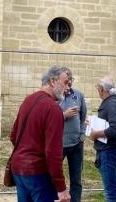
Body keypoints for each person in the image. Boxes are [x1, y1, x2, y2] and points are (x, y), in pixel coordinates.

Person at [10, 65, 72, 202]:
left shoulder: (28, 100)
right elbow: (53, 153)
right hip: (38, 173)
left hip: (19, 169)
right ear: (52, 81)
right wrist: (61, 188)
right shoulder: (53, 109)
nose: (68, 88)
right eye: (66, 83)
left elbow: (13, 135)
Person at [88, 76, 116, 202]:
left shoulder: (111, 104)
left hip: (108, 152)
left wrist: (96, 134)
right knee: (112, 190)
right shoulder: (113, 102)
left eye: (98, 87)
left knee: (111, 193)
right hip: (109, 151)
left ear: (102, 89)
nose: (97, 90)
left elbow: (115, 129)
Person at [59, 67, 86, 202]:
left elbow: (83, 118)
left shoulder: (78, 95)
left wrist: (81, 137)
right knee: (55, 176)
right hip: (59, 144)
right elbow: (50, 118)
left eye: (71, 81)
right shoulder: (55, 97)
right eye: (66, 82)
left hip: (76, 144)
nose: (69, 85)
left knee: (76, 178)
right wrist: (64, 115)